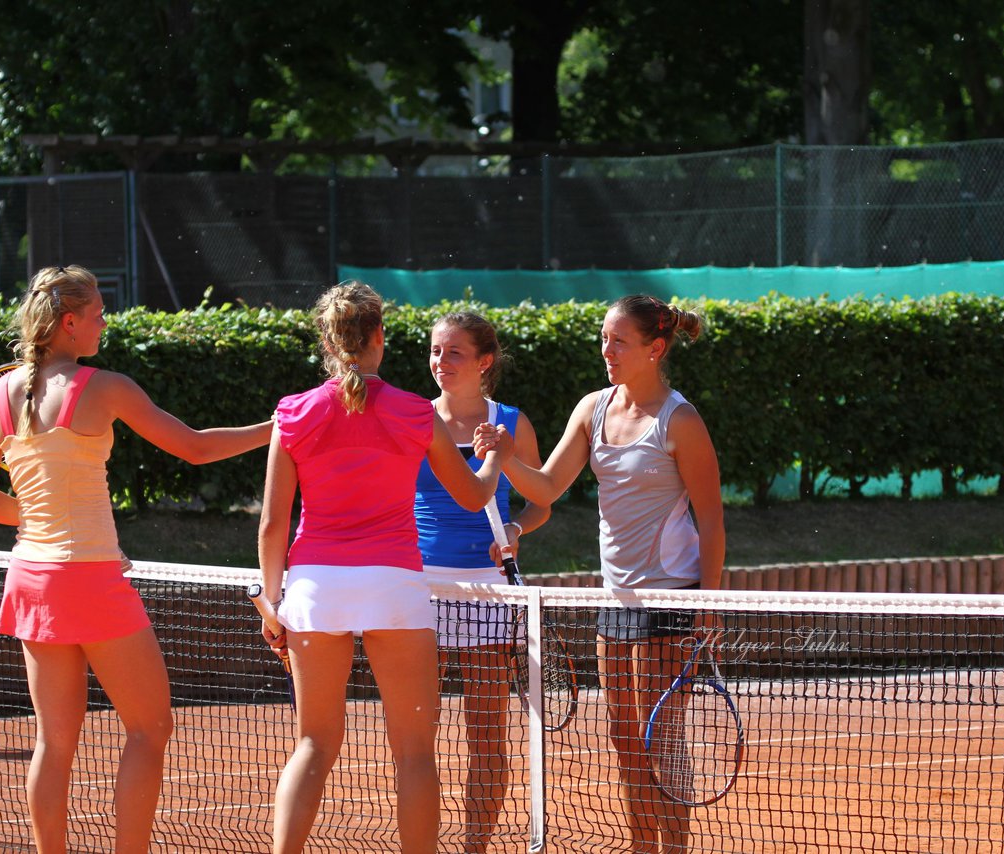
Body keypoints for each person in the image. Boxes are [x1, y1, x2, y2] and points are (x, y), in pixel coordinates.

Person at [0, 264, 273, 854]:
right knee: (151, 729)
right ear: (69, 323)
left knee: (54, 742)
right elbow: (197, 447)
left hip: (31, 580)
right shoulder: (105, 387)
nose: (106, 321)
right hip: (89, 582)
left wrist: (36, 520)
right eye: (99, 312)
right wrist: (276, 426)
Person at [256, 282, 511, 854]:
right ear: (378, 338)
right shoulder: (416, 412)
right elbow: (473, 497)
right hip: (395, 585)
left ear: (327, 339)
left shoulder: (293, 412)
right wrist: (494, 454)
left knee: (313, 745)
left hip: (315, 588)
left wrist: (272, 604)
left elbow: (273, 525)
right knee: (415, 752)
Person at [477, 295, 724, 854]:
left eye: (619, 342)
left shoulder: (680, 421)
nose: (606, 351)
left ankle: (675, 848)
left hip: (671, 598)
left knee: (660, 737)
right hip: (614, 599)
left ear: (655, 349)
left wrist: (710, 602)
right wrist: (508, 459)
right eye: (603, 339)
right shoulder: (593, 408)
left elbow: (711, 519)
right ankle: (642, 845)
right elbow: (544, 487)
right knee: (621, 735)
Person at [412, 311, 550, 853]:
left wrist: (515, 526)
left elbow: (542, 501)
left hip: (488, 594)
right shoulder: (414, 419)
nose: (440, 362)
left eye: (454, 353)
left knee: (487, 740)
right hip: (418, 591)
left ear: (484, 361)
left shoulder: (512, 422)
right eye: (435, 351)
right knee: (415, 738)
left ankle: (475, 848)